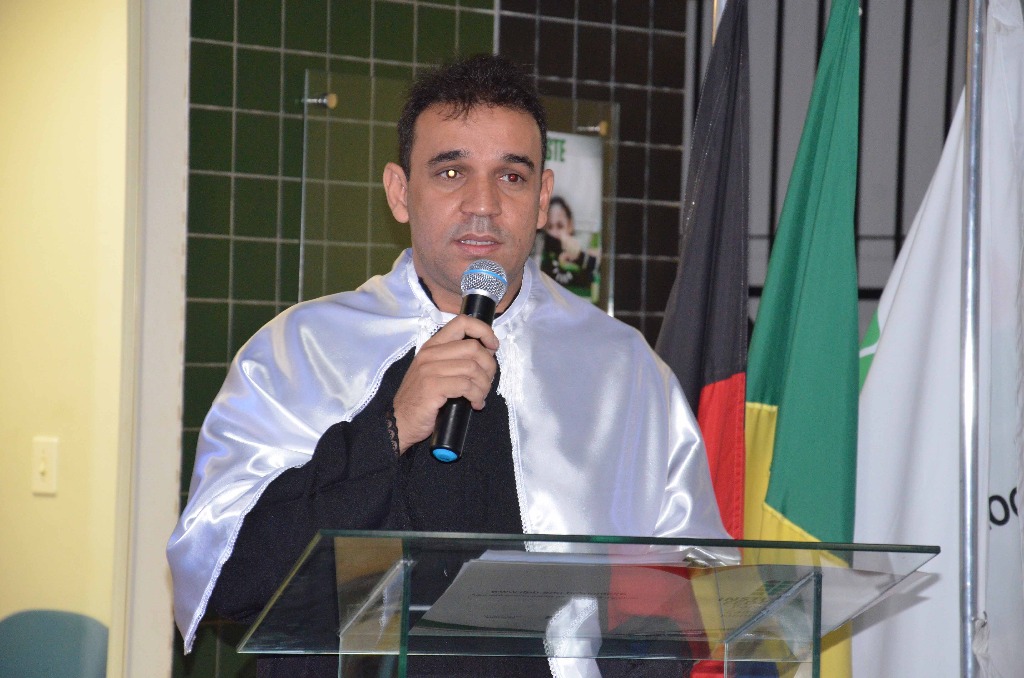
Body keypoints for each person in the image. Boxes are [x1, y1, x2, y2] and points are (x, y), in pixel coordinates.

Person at [168, 54, 728, 677]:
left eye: (511, 176)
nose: (482, 204)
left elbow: (681, 601)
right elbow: (228, 582)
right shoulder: (297, 353)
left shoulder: (624, 370)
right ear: (400, 193)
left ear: (543, 197)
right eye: (451, 171)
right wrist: (389, 429)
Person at [539, 195, 600, 299]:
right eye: (550, 227)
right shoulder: (542, 254)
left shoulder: (583, 252)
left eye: (560, 226)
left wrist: (579, 256)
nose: (555, 233)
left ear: (570, 225)